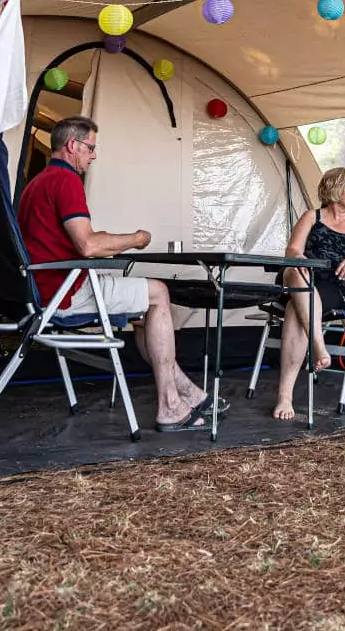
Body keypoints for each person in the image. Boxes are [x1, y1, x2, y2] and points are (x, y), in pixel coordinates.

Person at [17, 115, 212, 432]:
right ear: (73, 145)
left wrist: (108, 240)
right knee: (158, 293)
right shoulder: (65, 181)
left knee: (140, 312)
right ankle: (170, 407)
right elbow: (88, 245)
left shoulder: (35, 184)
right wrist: (136, 239)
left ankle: (189, 391)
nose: (93, 155)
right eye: (91, 148)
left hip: (39, 290)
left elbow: (69, 240)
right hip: (64, 294)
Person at [272, 166, 345, 420]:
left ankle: (284, 396)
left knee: (295, 310)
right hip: (305, 277)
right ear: (334, 189)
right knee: (296, 270)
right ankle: (319, 346)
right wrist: (301, 260)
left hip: (338, 286)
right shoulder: (312, 216)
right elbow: (292, 251)